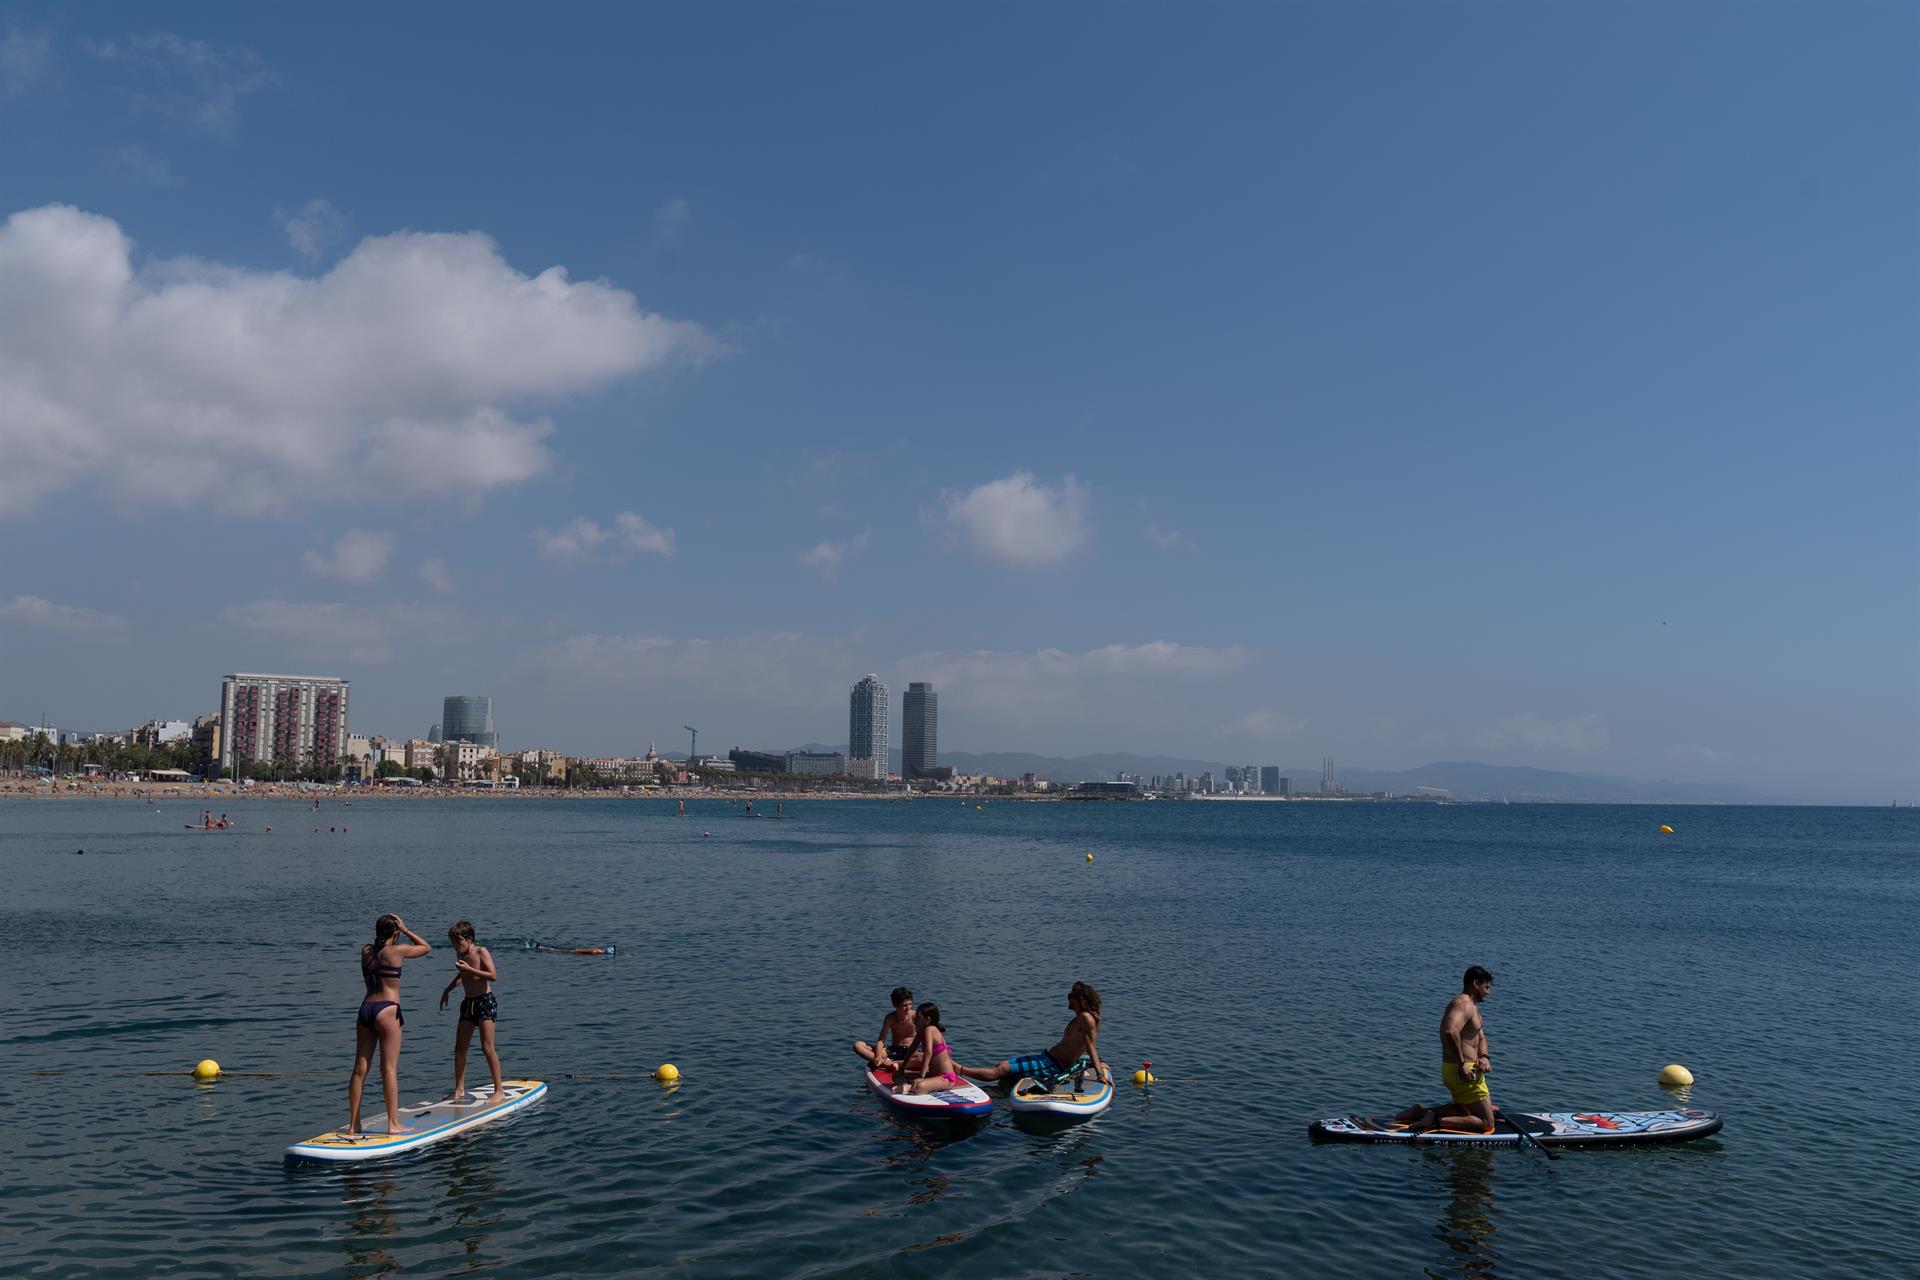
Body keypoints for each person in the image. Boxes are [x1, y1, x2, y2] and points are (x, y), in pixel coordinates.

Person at [346, 914, 432, 1135]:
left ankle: (354, 1124)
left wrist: (394, 932)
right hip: (387, 1009)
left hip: (365, 1009)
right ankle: (393, 1124)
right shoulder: (396, 951)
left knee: (359, 1070)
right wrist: (406, 929)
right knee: (389, 1069)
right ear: (395, 933)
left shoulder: (366, 951)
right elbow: (425, 947)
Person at [1396, 965, 1496, 1133]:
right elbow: (1450, 1031)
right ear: (1475, 983)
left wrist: (1485, 1057)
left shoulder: (1472, 1007)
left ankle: (1420, 1112)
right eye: (1486, 987)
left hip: (1463, 1071)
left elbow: (1481, 1038)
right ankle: (1434, 1120)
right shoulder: (1463, 1004)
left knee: (1465, 1112)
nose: (1488, 992)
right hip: (1464, 1072)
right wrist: (1462, 1064)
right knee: (1487, 1123)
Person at [959, 981, 1112, 1087]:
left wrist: (1099, 1074)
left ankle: (959, 1070)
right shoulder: (1079, 1019)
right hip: (1046, 1058)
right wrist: (1094, 1062)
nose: (1068, 997)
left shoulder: (1086, 1018)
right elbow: (1078, 1047)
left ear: (1079, 999)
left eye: (1071, 995)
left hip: (1052, 1066)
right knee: (1002, 1066)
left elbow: (1090, 1046)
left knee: (1001, 1070)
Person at [439, 921, 504, 1104]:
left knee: (487, 1047)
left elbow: (493, 975)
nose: (455, 946)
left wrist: (470, 969)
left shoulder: (481, 952)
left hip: (485, 1002)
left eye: (458, 942)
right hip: (468, 1003)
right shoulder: (461, 953)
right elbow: (463, 974)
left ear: (469, 939)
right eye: (453, 942)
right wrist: (448, 989)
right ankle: (459, 1089)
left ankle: (499, 1090)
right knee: (460, 1048)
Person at [891, 1002, 965, 1094]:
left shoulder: (930, 1029)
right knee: (896, 1075)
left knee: (919, 1085)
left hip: (946, 1078)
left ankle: (910, 1087)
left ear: (927, 1020)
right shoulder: (922, 1031)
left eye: (918, 1017)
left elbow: (928, 1051)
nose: (915, 1019)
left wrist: (922, 1076)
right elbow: (911, 1050)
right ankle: (905, 1085)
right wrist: (902, 1068)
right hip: (932, 1075)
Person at [852, 986, 921, 1071]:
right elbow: (881, 1039)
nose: (908, 1008)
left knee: (921, 1058)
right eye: (904, 1005)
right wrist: (877, 1055)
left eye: (910, 1004)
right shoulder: (890, 1018)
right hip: (892, 1051)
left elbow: (926, 1035)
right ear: (895, 1005)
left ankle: (888, 1064)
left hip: (910, 1052)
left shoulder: (915, 1017)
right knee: (858, 1045)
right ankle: (887, 1063)